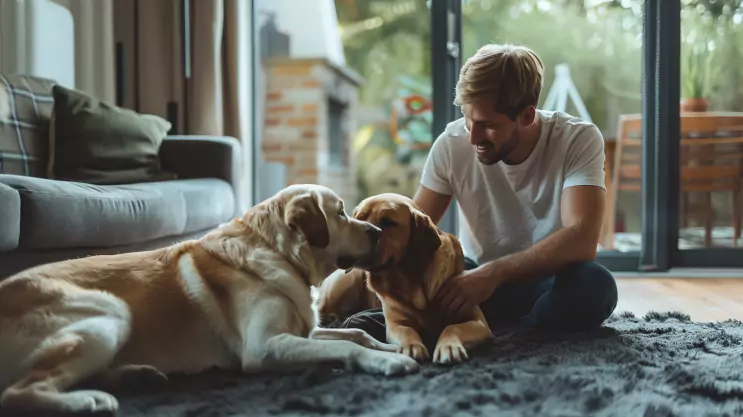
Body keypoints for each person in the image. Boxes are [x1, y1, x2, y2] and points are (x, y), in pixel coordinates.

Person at [342, 43, 618, 340]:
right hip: (469, 282)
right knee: (437, 277)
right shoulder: (452, 143)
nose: (473, 137)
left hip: (547, 282)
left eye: (487, 126)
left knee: (594, 285)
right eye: (468, 120)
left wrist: (494, 274)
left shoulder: (578, 138)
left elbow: (582, 238)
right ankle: (503, 331)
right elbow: (412, 231)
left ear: (526, 115)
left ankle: (502, 333)